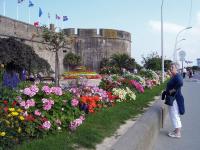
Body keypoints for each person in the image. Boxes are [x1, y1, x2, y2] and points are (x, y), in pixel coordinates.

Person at [162, 62, 185, 138]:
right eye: (171, 67)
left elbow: (180, 83)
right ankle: (176, 130)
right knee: (174, 114)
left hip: (175, 99)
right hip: (173, 98)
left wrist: (170, 92)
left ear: (177, 68)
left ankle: (178, 133)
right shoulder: (174, 76)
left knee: (174, 114)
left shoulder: (177, 76)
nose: (171, 68)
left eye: (172, 67)